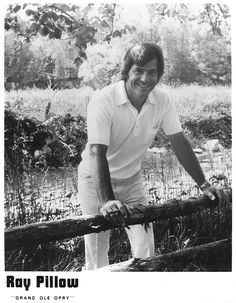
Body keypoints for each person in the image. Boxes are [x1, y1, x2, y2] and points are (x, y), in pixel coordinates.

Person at [78, 42, 217, 270]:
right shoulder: (104, 100)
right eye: (138, 71)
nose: (145, 78)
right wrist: (107, 200)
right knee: (96, 252)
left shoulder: (162, 100)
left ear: (159, 74)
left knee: (145, 249)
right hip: (94, 183)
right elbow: (96, 151)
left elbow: (180, 143)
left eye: (152, 72)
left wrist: (204, 184)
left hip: (132, 180)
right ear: (126, 71)